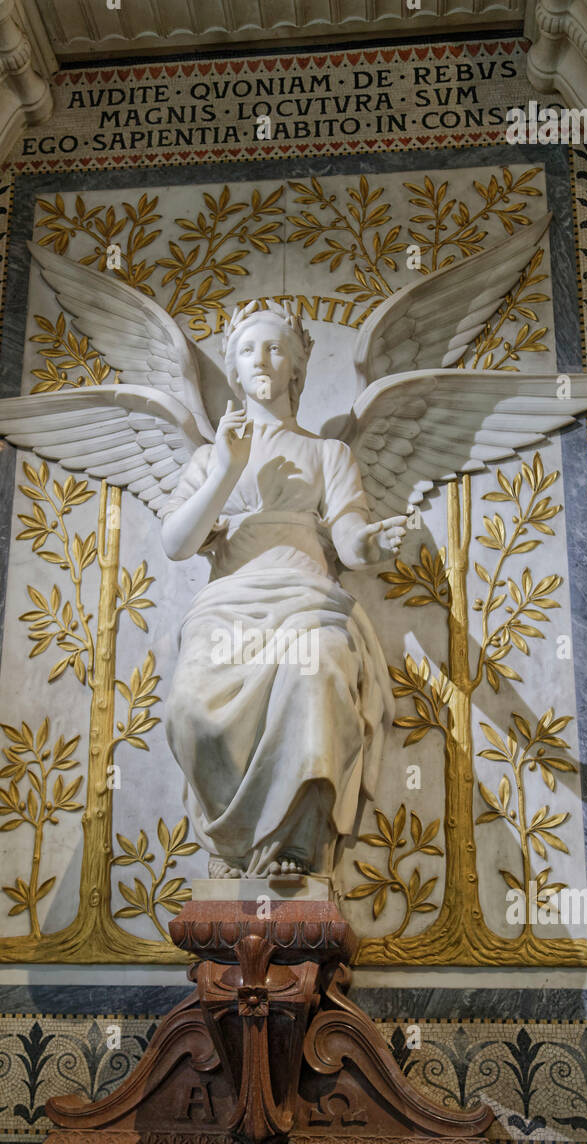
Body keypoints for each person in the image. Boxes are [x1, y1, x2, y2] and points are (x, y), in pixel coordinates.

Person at [161, 300, 408, 879]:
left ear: (296, 367)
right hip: (229, 605)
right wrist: (227, 467)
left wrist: (370, 545)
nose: (262, 359)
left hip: (307, 600)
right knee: (189, 708)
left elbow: (348, 540)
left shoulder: (329, 453)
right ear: (235, 369)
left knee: (316, 672)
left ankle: (296, 845)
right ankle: (234, 848)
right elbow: (176, 542)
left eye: (275, 348)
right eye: (249, 350)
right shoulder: (209, 456)